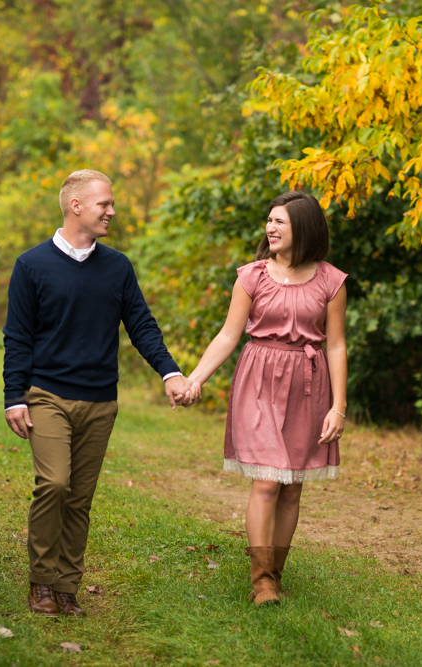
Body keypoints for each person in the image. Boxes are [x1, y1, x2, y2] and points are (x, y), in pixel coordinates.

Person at [2, 169, 191, 617]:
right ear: (76, 207)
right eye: (105, 203)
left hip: (101, 400)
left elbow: (141, 325)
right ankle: (41, 582)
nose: (112, 210)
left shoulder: (118, 267)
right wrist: (14, 396)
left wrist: (170, 372)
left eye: (112, 203)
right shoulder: (31, 265)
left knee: (80, 496)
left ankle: (66, 588)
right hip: (47, 394)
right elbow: (18, 336)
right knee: (55, 484)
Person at [182, 190, 347, 605]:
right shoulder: (252, 276)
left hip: (308, 385)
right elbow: (227, 335)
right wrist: (196, 378)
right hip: (258, 381)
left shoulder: (331, 280)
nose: (270, 228)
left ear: (303, 229)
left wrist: (338, 407)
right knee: (268, 482)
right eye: (269, 221)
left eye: (280, 222)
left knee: (292, 486)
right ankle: (262, 582)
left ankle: (275, 572)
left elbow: (337, 346)